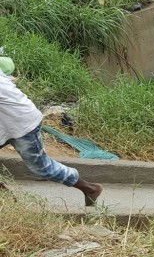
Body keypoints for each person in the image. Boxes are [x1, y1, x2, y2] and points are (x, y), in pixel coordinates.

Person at [0, 67, 102, 206]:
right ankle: (5, 196)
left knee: (43, 168)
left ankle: (90, 189)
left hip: (23, 124)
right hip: (9, 123)